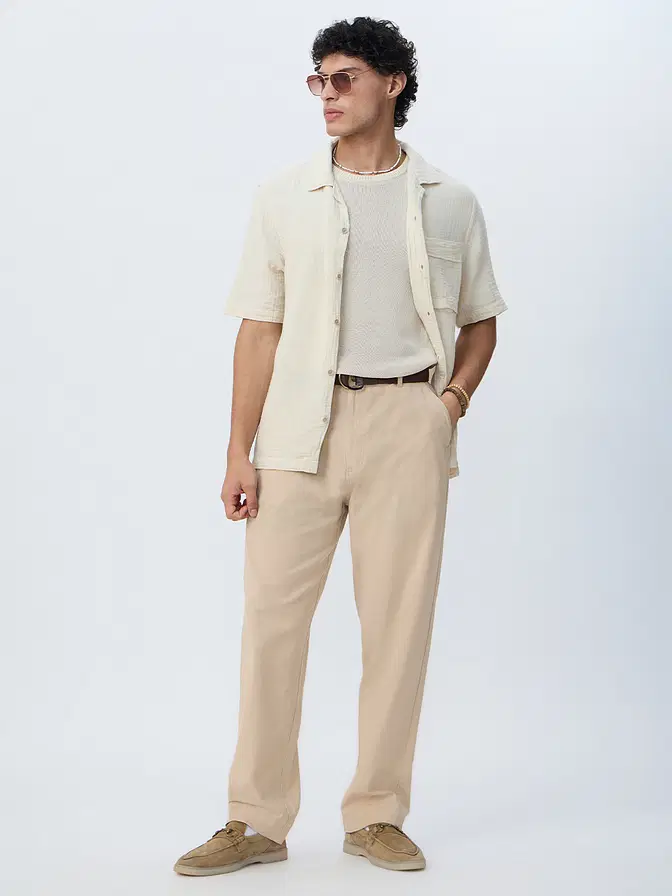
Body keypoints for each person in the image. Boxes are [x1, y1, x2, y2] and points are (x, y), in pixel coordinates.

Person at [174, 15, 508, 876]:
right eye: (318, 79)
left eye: (345, 77)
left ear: (394, 84)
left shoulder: (450, 200)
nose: (326, 93)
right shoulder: (284, 196)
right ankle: (256, 820)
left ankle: (377, 814)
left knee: (398, 627)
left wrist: (449, 406)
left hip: (407, 423)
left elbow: (481, 321)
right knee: (271, 625)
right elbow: (259, 329)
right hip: (296, 431)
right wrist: (238, 450)